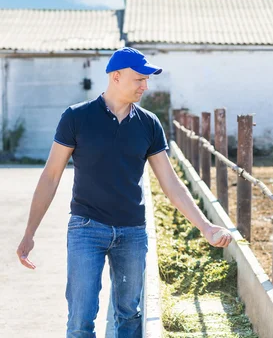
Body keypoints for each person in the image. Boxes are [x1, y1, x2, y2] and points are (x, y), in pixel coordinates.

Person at [16, 47, 232, 337]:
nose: (146, 86)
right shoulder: (76, 118)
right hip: (86, 229)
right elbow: (50, 176)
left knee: (130, 316)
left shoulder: (149, 124)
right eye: (139, 79)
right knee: (80, 320)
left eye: (147, 79)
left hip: (132, 233)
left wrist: (204, 227)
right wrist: (30, 231)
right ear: (116, 77)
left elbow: (170, 183)